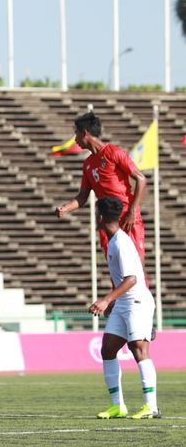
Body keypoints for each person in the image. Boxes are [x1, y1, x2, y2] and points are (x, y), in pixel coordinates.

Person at [90, 197, 159, 420]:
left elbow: (131, 280)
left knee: (138, 349)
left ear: (100, 216)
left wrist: (106, 300)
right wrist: (113, 302)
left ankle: (151, 406)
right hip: (124, 303)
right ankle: (117, 405)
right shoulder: (113, 242)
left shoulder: (121, 243)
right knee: (108, 349)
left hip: (136, 301)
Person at [55, 112, 147, 263]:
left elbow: (141, 180)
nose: (75, 139)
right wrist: (66, 208)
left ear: (85, 133)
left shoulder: (114, 153)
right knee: (116, 267)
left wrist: (132, 211)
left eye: (76, 134)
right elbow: (82, 197)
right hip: (107, 221)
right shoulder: (87, 164)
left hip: (127, 218)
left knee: (136, 265)